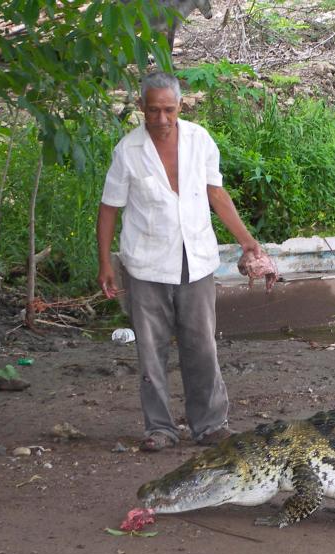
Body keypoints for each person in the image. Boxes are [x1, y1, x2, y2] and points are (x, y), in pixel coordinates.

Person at [96, 70, 277, 452]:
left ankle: (210, 425)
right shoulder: (127, 151)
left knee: (201, 345)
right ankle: (160, 428)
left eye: (169, 110)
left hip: (196, 260)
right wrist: (105, 264)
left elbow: (217, 194)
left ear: (180, 106)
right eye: (153, 110)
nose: (161, 119)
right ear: (140, 108)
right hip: (145, 264)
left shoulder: (200, 141)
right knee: (151, 349)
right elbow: (109, 209)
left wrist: (248, 242)